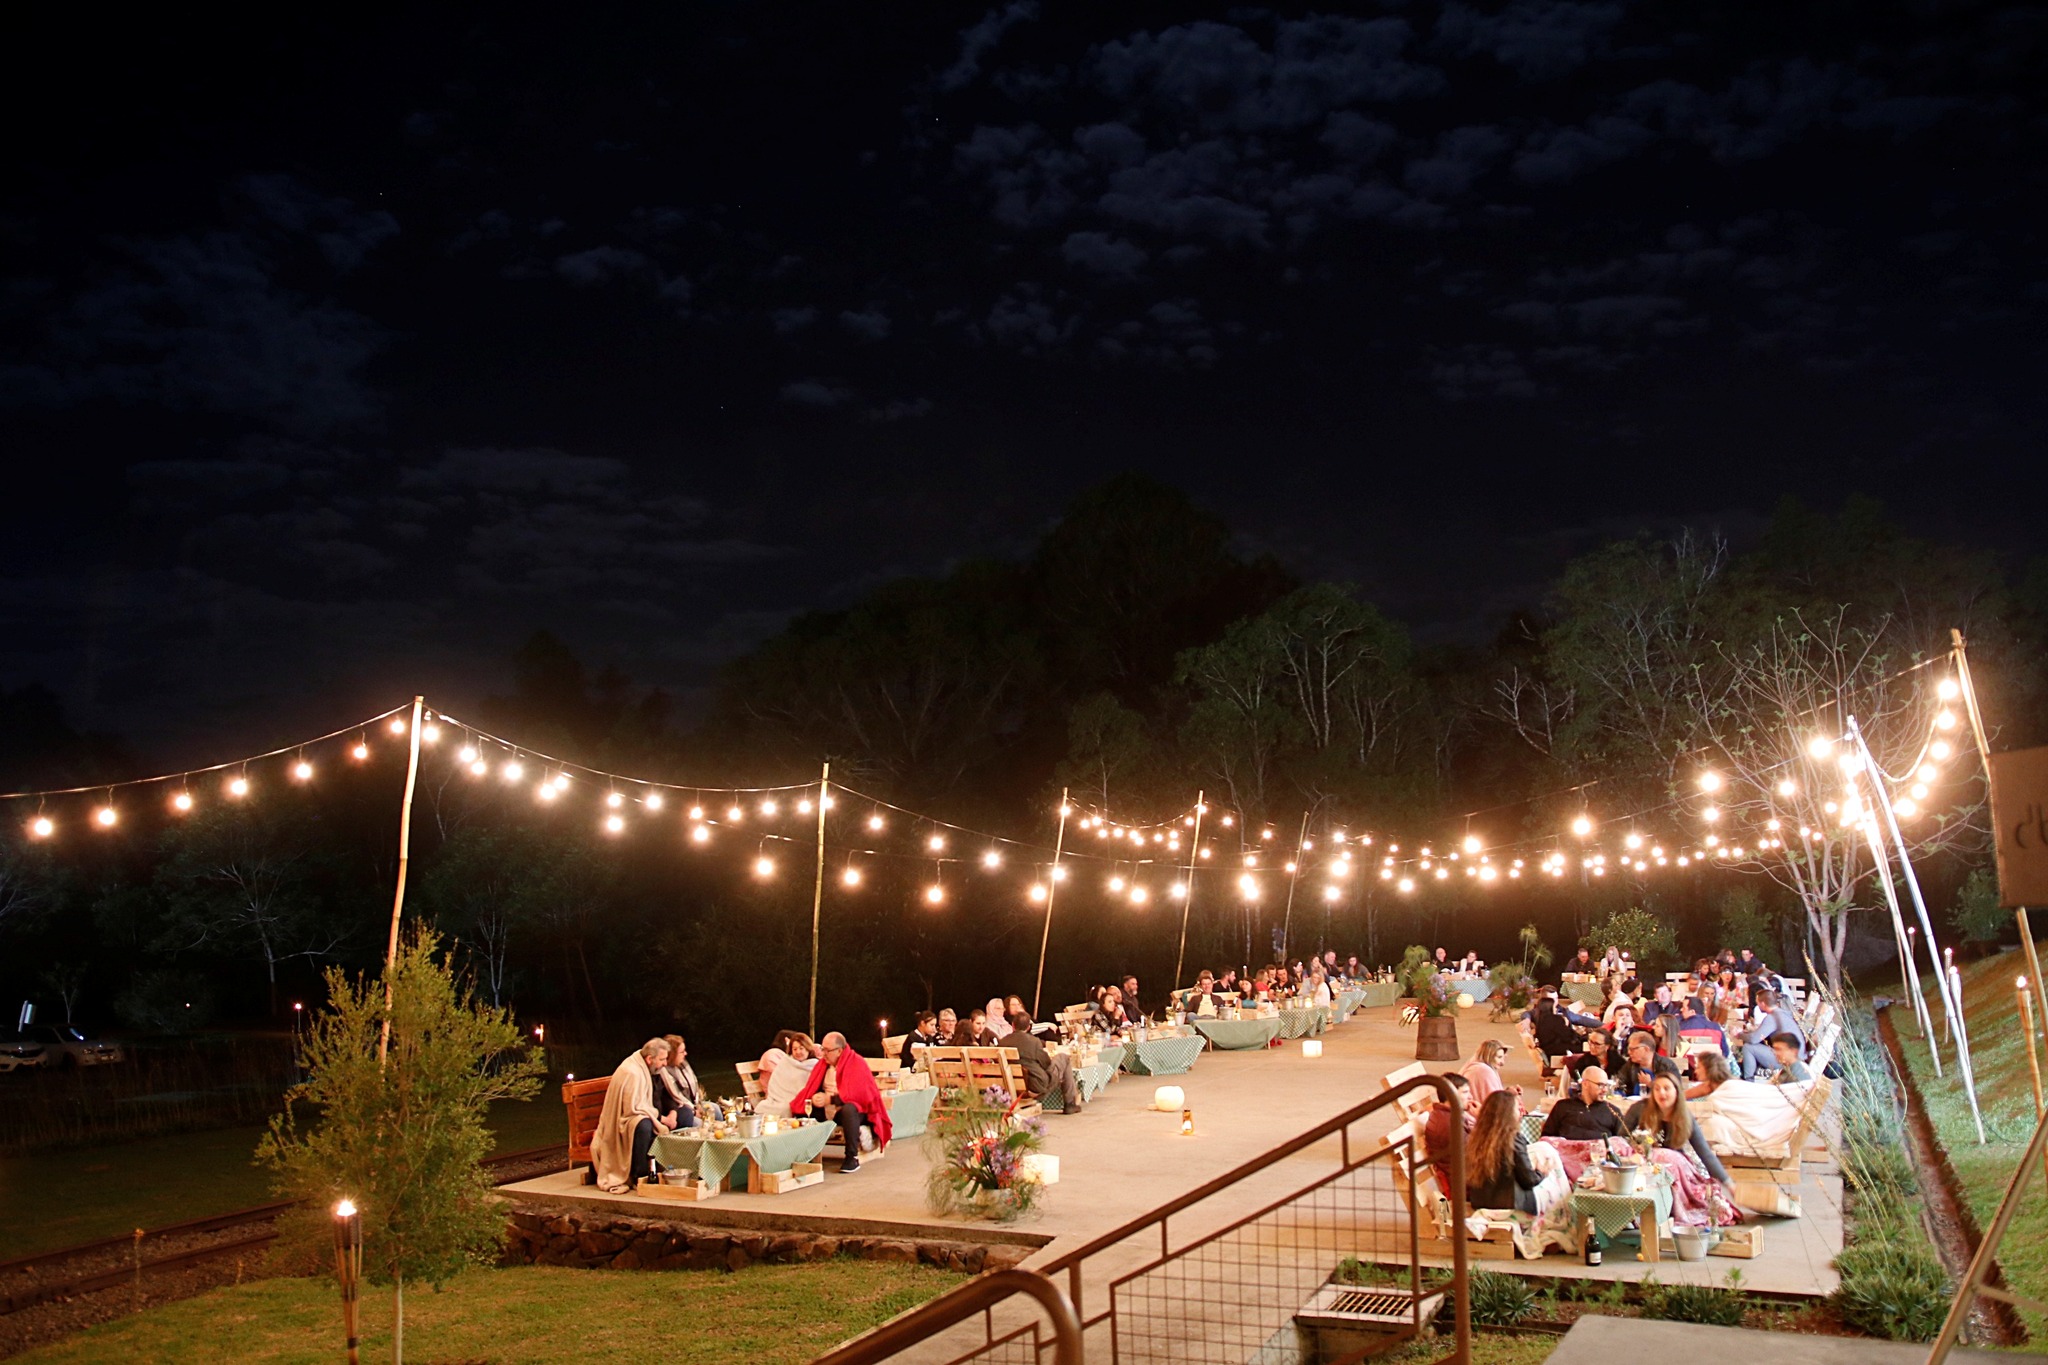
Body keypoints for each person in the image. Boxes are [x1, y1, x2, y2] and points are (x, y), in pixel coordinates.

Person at [788, 1031, 893, 1174]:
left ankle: (851, 1157)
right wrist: (815, 1098)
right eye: (823, 1049)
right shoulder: (823, 1065)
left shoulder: (856, 1063)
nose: (824, 1054)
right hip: (828, 1110)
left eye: (827, 1050)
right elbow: (812, 1087)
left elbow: (860, 1095)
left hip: (856, 1112)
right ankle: (802, 1156)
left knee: (849, 1109)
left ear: (839, 1051)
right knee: (803, 1108)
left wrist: (830, 1099)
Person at [1624, 1072, 1733, 1188]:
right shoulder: (1640, 1108)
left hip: (1675, 1169)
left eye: (1666, 1088)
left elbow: (1705, 1153)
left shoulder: (1685, 1117)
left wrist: (1728, 1183)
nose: (1661, 1093)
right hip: (1642, 1166)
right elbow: (1621, 1138)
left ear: (1676, 1092)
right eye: (1657, 1089)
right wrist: (1635, 1148)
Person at [590, 1038, 671, 1193]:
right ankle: (639, 1175)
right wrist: (656, 1117)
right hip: (621, 1120)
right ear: (649, 1059)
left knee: (652, 1124)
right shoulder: (632, 1072)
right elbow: (630, 1109)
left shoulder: (642, 1066)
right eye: (662, 1060)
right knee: (644, 1125)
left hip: (632, 1115)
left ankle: (661, 1170)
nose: (665, 1064)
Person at [1466, 1091, 1544, 1213]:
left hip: (1479, 1202)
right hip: (1510, 1206)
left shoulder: (1476, 1138)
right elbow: (1529, 1180)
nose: (1520, 1111)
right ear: (1509, 1113)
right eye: (1517, 1108)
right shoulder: (1513, 1139)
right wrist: (1541, 1172)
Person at [1006, 1008, 1083, 1111]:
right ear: (1028, 1027)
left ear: (1013, 1025)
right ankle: (1070, 1103)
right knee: (1063, 1058)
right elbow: (1047, 1064)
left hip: (1011, 1086)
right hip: (1034, 1087)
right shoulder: (1034, 1042)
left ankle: (1070, 1102)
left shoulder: (1003, 1042)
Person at [1541, 1066, 1628, 1141]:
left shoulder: (1612, 1112)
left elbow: (1622, 1143)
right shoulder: (1563, 1106)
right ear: (1585, 1084)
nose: (1605, 1090)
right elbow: (1546, 1139)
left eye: (1606, 1086)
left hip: (1599, 1154)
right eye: (1600, 1085)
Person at [1738, 989, 1805, 1079]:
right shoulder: (1781, 1013)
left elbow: (1754, 1039)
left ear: (1763, 1004)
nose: (1757, 1005)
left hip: (1788, 1059)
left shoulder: (1772, 1017)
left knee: (1748, 1047)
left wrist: (1739, 1035)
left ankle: (1748, 1079)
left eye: (1758, 1003)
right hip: (1796, 1056)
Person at [757, 1030, 815, 1118]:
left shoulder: (815, 1065)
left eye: (801, 1048)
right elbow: (775, 1083)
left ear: (808, 1048)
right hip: (779, 1099)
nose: (798, 1052)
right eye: (795, 1049)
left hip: (800, 1101)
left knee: (785, 1108)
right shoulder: (786, 1062)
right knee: (762, 1106)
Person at [1611, 1030, 1681, 1098]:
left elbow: (1675, 1090)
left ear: (1646, 1049)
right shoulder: (1631, 1065)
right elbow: (1620, 1083)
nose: (1629, 1052)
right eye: (1629, 1049)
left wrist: (1651, 1083)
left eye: (1633, 1049)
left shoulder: (1666, 1066)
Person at [653, 1033, 703, 1130]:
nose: (685, 1054)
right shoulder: (663, 1072)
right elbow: (676, 1096)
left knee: (715, 1109)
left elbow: (695, 1086)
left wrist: (698, 1105)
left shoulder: (683, 1065)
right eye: (682, 1052)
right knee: (699, 1123)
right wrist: (694, 1111)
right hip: (680, 1107)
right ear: (672, 1054)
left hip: (694, 1104)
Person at [1462, 1038, 1513, 1107]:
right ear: (1489, 1056)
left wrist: (1508, 1092)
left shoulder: (1478, 1066)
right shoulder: (1483, 1071)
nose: (1502, 1063)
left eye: (1503, 1058)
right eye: (1499, 1057)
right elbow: (1495, 1103)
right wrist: (1511, 1096)